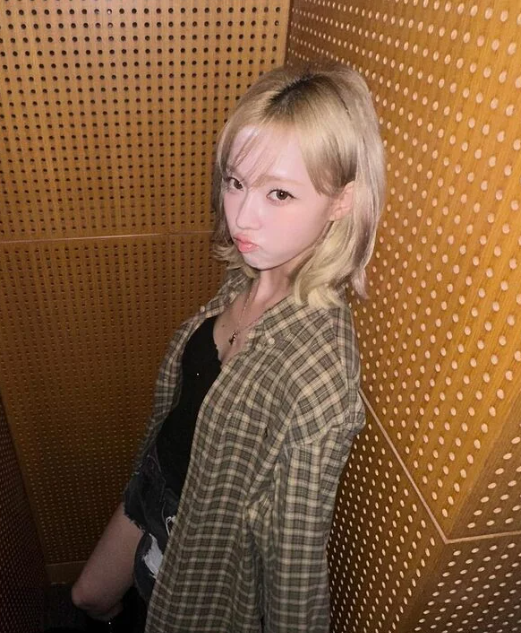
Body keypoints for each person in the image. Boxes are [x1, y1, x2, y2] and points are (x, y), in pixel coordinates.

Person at [72, 61, 385, 632]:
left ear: (342, 201)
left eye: (279, 193)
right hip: (158, 475)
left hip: (203, 533)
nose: (242, 216)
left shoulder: (320, 376)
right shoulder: (249, 273)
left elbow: (295, 565)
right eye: (236, 182)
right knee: (89, 596)